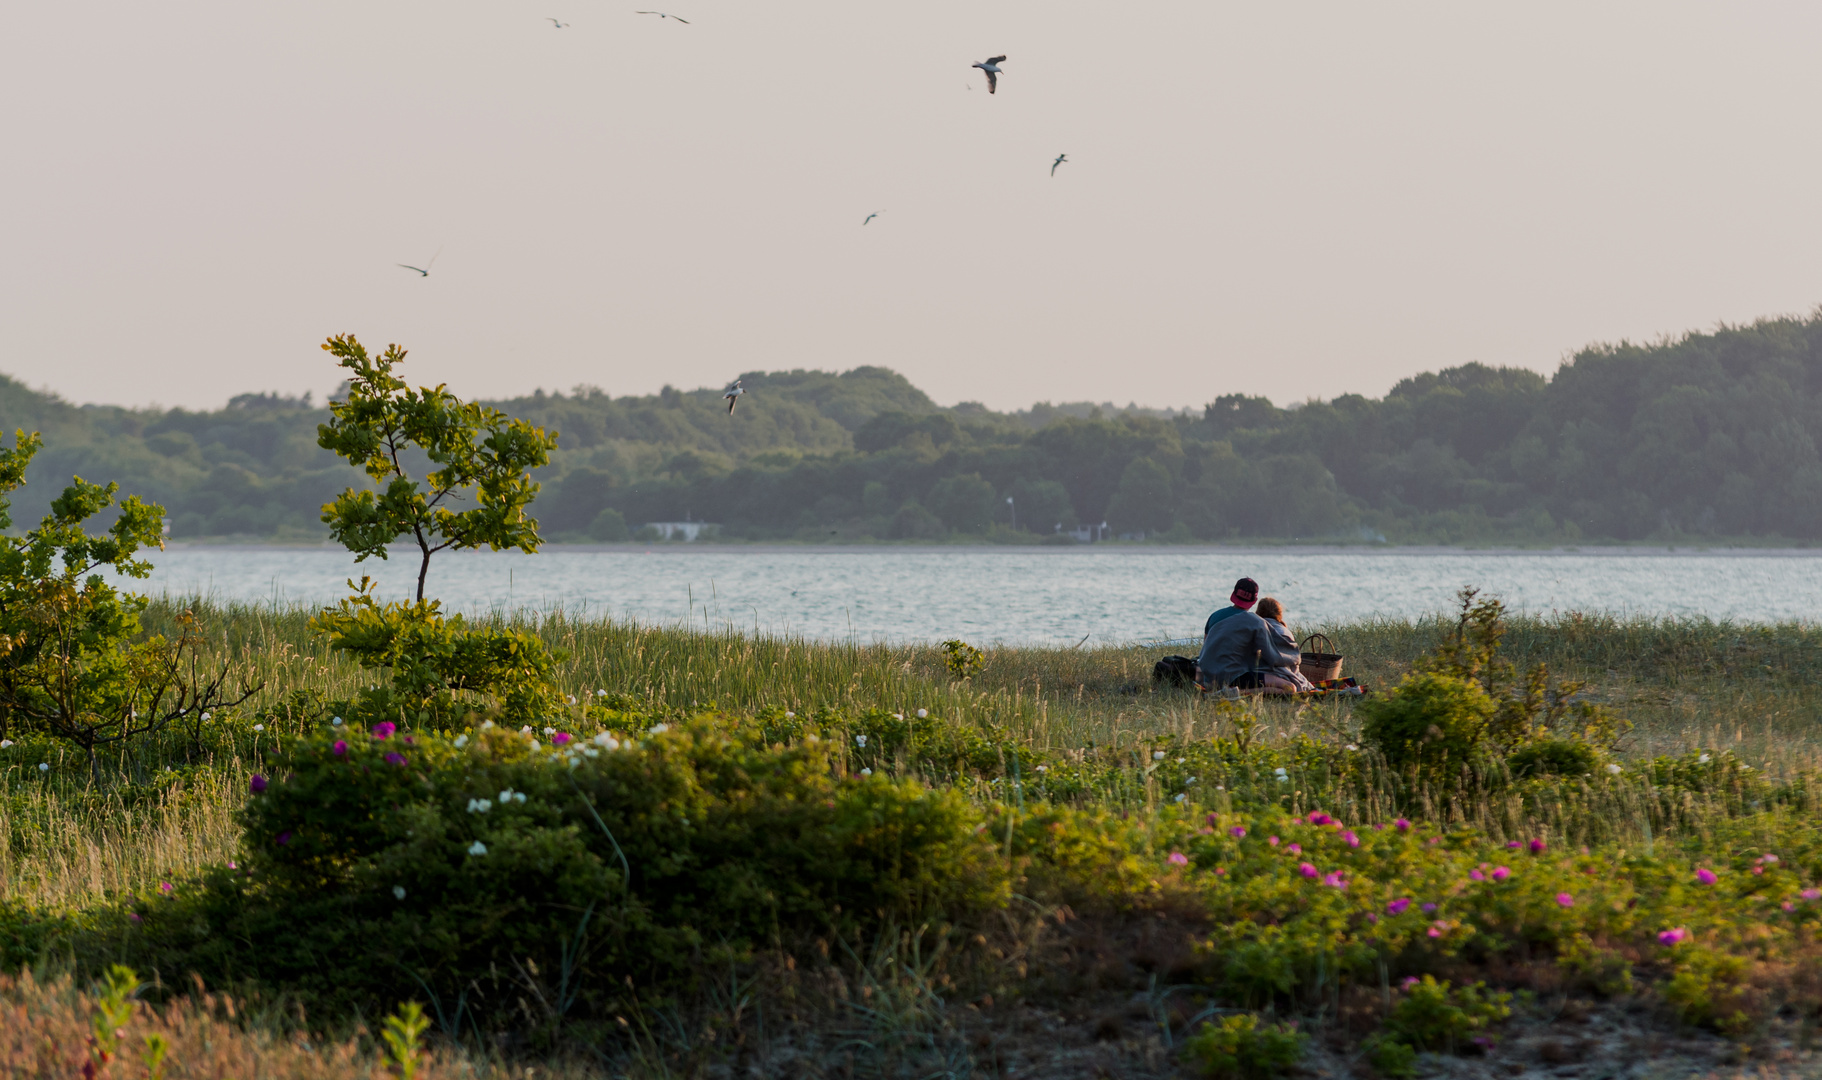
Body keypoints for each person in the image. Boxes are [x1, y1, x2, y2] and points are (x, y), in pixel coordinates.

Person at [1196, 581, 1300, 693]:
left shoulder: (1214, 616)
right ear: (1254, 601)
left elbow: (1206, 646)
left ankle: (1223, 691)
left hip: (1207, 676)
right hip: (1232, 677)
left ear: (1233, 594)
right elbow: (1271, 656)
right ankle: (1232, 693)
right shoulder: (1255, 622)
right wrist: (1293, 656)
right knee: (1290, 688)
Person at [1255, 597, 1314, 693]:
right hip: (1287, 677)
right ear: (1279, 614)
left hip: (1263, 677)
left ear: (1258, 612)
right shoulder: (1285, 631)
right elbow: (1294, 664)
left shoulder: (1256, 630)